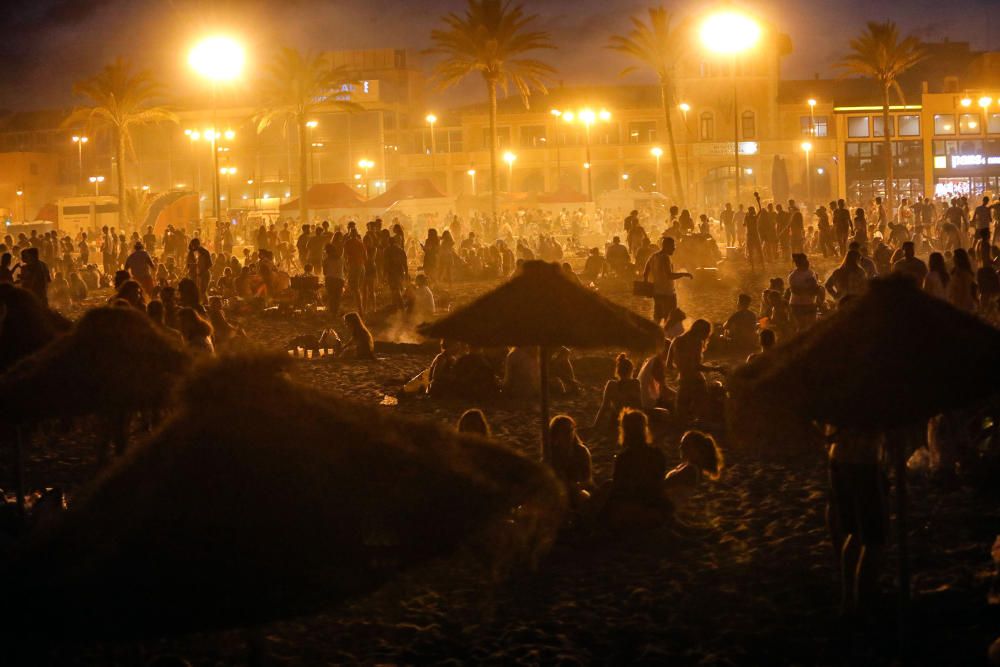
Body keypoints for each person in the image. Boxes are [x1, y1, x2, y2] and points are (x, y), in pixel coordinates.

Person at [827, 429, 887, 617]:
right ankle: (863, 606)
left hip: (839, 457)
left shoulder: (838, 400)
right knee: (873, 539)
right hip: (863, 461)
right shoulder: (864, 402)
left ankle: (849, 601)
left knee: (854, 532)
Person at [605, 409, 671, 529]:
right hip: (656, 506)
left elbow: (618, 488)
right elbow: (659, 483)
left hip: (634, 508)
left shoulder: (624, 458)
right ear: (644, 429)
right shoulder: (658, 454)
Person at [666, 319, 720, 424]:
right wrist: (715, 369)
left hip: (683, 380)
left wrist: (681, 367)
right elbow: (696, 367)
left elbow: (669, 365)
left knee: (681, 414)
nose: (707, 335)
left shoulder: (676, 340)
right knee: (703, 414)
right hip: (696, 381)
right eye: (707, 332)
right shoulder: (696, 342)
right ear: (701, 331)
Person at [664, 430, 724, 509]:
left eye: (686, 445)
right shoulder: (688, 466)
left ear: (697, 449)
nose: (681, 447)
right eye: (681, 444)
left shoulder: (690, 470)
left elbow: (665, 484)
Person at [547, 415, 594, 508]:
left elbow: (588, 480)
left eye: (571, 430)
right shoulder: (551, 454)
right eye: (565, 431)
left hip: (578, 491)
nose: (569, 434)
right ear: (556, 434)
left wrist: (575, 486)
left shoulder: (581, 451)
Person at [642, 236, 692, 325]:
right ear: (667, 246)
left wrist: (647, 285)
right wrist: (684, 274)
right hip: (668, 293)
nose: (674, 248)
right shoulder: (665, 258)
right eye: (673, 246)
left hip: (657, 292)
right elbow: (669, 275)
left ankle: (656, 334)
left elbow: (645, 273)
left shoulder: (654, 256)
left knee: (657, 317)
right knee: (670, 318)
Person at [593, 353, 642, 429]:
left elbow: (604, 407)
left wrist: (595, 424)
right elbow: (639, 405)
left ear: (618, 371)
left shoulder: (611, 385)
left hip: (616, 421)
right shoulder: (636, 383)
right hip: (632, 420)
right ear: (631, 370)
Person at [788, 253, 822, 332]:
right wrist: (810, 290)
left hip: (808, 303)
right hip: (798, 304)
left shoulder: (811, 273)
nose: (807, 262)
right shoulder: (793, 276)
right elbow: (795, 291)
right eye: (804, 261)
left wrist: (814, 290)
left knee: (811, 327)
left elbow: (815, 288)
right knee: (802, 327)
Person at [948, 248, 978, 312]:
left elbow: (966, 292)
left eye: (955, 256)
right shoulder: (955, 272)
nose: (953, 258)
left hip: (963, 306)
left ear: (959, 259)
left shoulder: (964, 274)